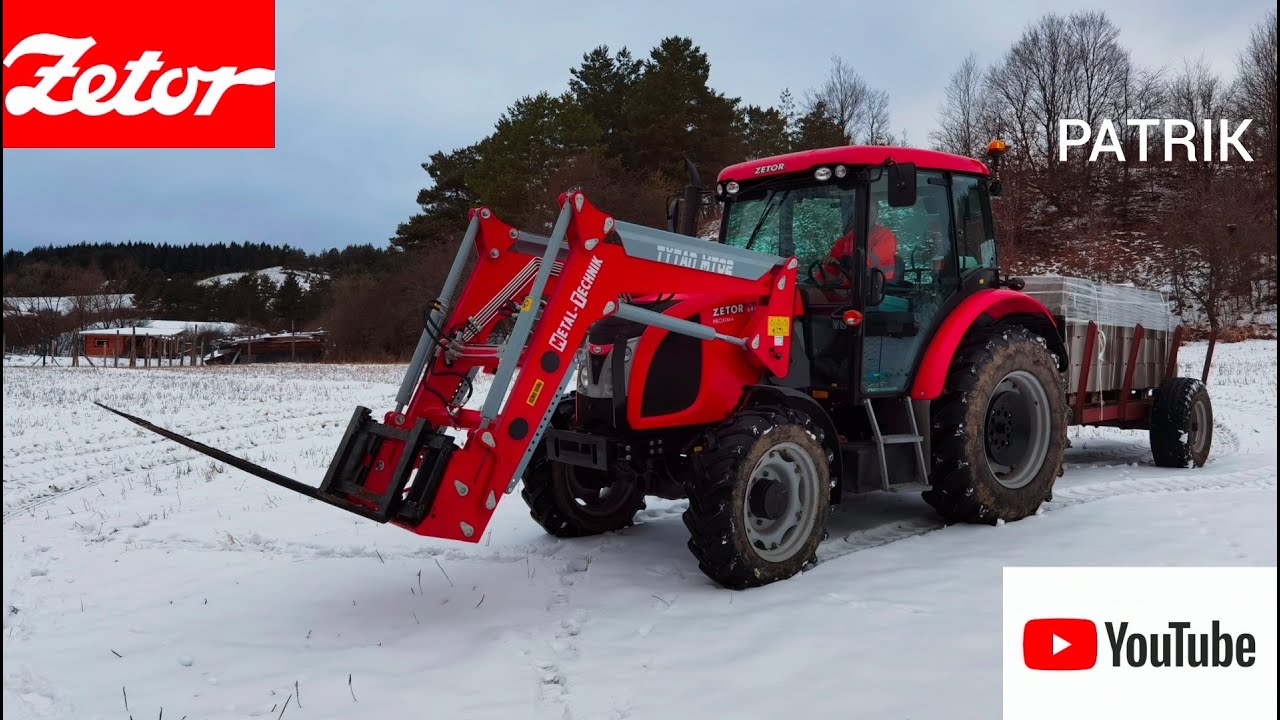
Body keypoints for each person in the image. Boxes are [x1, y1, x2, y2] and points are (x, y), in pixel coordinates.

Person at [816, 198, 899, 286]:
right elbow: (831, 269)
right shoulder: (845, 240)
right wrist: (819, 279)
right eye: (861, 212)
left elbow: (868, 261)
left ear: (876, 215)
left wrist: (842, 261)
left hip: (878, 290)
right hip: (849, 289)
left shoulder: (886, 236)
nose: (865, 216)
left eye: (870, 213)